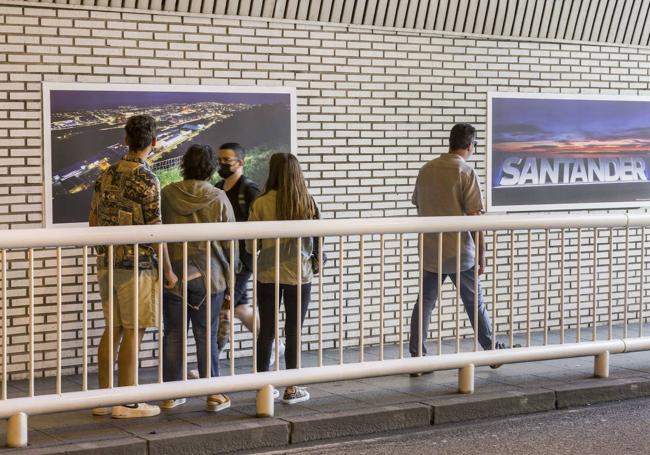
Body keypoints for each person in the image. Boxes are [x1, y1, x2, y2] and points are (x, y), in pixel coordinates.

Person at [89, 114, 177, 418]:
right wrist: (167, 270)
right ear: (153, 142)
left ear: (126, 139)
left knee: (111, 329)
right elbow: (155, 229)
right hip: (136, 265)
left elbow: (92, 219)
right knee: (133, 329)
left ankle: (102, 399)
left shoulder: (106, 174)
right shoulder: (147, 178)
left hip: (106, 262)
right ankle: (127, 403)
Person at [409, 123, 515, 374]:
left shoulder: (426, 170)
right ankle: (490, 350)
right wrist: (482, 255)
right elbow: (475, 217)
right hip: (460, 253)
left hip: (431, 250)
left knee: (424, 303)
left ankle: (417, 357)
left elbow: (418, 204)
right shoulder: (465, 172)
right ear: (470, 145)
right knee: (474, 303)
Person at [160, 144, 237, 412]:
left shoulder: (167, 194)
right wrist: (232, 279)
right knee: (206, 333)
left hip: (173, 274)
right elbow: (230, 243)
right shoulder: (218, 197)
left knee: (172, 334)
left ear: (185, 165)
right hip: (210, 276)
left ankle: (171, 393)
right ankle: (213, 393)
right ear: (210, 167)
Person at [246, 153, 318, 404]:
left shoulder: (261, 202)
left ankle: (263, 387)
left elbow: (249, 245)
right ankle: (291, 388)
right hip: (299, 274)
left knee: (266, 331)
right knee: (293, 330)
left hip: (267, 273)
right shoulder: (307, 202)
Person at [215, 143, 283, 364]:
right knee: (241, 308)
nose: (222, 164)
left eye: (227, 160)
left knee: (223, 309)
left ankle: (210, 364)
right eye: (220, 159)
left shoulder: (249, 190)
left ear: (240, 163)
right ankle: (275, 342)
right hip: (224, 260)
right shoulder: (218, 187)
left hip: (242, 261)